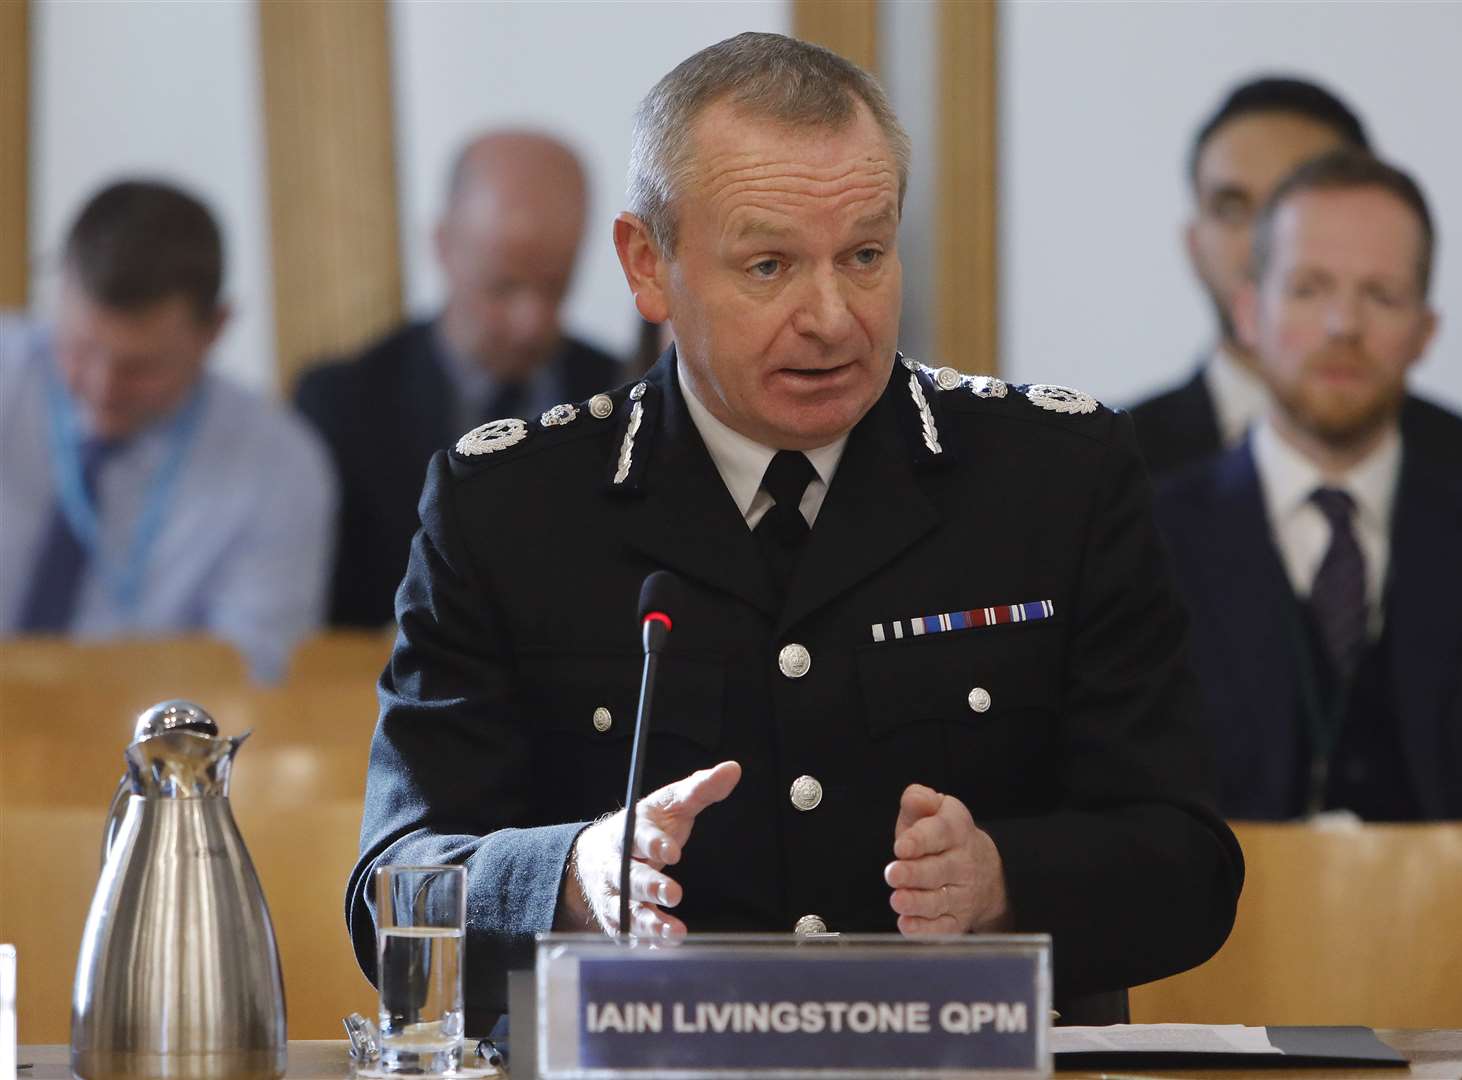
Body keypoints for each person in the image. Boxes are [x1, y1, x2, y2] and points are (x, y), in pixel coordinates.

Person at [346, 33, 1243, 1025]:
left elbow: (1189, 862)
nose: (832, 317)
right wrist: (571, 875)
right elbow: (395, 890)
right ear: (650, 266)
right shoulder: (507, 508)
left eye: (864, 255)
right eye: (770, 264)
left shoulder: (1056, 480)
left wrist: (999, 880)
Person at [1153, 149, 1462, 858]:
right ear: (1249, 312)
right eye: (1309, 288)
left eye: (1383, 295)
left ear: (1427, 330)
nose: (1343, 325)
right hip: (1219, 961)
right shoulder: (1149, 540)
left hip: (1460, 956)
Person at [1131, 77, 1462, 515]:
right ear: (1194, 243)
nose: (1266, 239)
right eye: (1233, 207)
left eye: (1301, 198)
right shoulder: (1099, 464)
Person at [0, 179, 336, 683]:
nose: (101, 385)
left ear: (215, 330)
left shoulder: (279, 467)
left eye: (140, 367)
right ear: (59, 289)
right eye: (78, 348)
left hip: (148, 752)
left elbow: (250, 681)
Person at [295, 130, 622, 628]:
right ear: (444, 246)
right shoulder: (344, 405)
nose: (531, 321)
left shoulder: (625, 394)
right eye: (503, 287)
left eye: (556, 287)